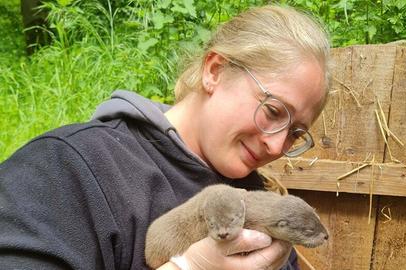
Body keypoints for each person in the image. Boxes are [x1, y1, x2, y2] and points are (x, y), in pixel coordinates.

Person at [0, 4, 330, 270]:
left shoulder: (264, 203)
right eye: (273, 111)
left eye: (295, 134)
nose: (276, 145)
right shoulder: (65, 168)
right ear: (214, 70)